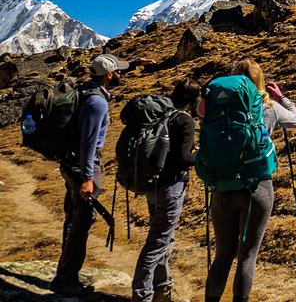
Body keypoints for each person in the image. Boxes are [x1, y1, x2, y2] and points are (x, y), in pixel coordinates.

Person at [51, 53, 156, 296]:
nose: (121, 73)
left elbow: (114, 71)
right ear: (109, 75)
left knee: (72, 218)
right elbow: (88, 143)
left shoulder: (87, 88)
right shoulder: (98, 103)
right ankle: (66, 279)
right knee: (83, 221)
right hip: (84, 166)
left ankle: (64, 273)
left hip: (69, 163)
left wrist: (136, 63)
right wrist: (88, 178)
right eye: (118, 71)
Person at [204, 58, 296, 302]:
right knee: (248, 254)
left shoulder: (217, 110)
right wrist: (281, 97)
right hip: (256, 188)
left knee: (223, 255)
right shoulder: (268, 107)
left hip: (222, 187)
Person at [131, 78, 201, 302]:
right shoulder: (184, 121)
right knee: (158, 241)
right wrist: (200, 155)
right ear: (193, 98)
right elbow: (183, 158)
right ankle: (142, 294)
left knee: (163, 238)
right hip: (171, 186)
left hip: (153, 184)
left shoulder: (161, 115)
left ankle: (163, 288)